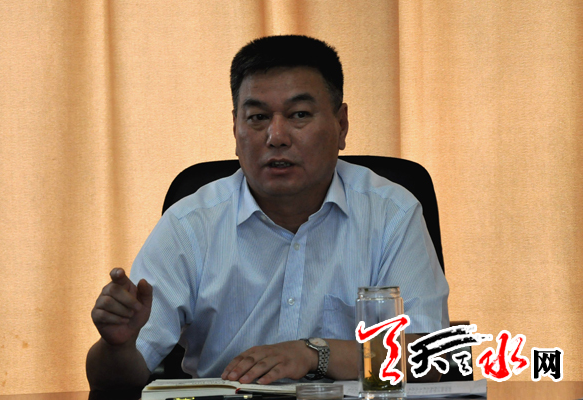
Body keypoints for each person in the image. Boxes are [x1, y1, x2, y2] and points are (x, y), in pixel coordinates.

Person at [86, 35, 449, 390]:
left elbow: (431, 358)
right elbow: (114, 382)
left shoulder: (390, 213)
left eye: (299, 115)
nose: (276, 136)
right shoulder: (189, 226)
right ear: (235, 128)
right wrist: (117, 347)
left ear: (341, 125)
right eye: (258, 117)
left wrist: (314, 354)